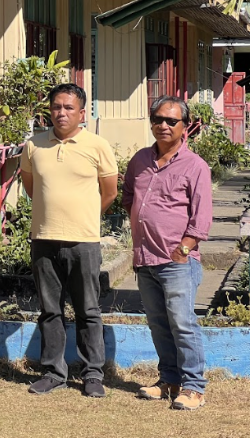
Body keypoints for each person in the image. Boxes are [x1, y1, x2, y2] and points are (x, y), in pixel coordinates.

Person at [20, 83, 118, 398]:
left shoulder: (97, 146)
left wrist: (85, 218)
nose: (61, 113)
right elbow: (32, 188)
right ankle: (53, 372)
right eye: (56, 107)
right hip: (44, 240)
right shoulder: (33, 146)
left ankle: (92, 375)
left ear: (82, 112)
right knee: (50, 310)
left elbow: (110, 192)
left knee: (88, 309)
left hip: (84, 243)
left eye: (68, 107)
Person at [123, 96, 211, 410]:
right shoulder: (139, 160)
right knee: (159, 324)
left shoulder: (195, 166)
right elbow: (129, 196)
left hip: (177, 261)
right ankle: (170, 380)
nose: (163, 125)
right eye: (158, 119)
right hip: (145, 258)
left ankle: (194, 387)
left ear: (185, 127)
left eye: (171, 121)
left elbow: (201, 218)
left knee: (182, 323)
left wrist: (183, 249)